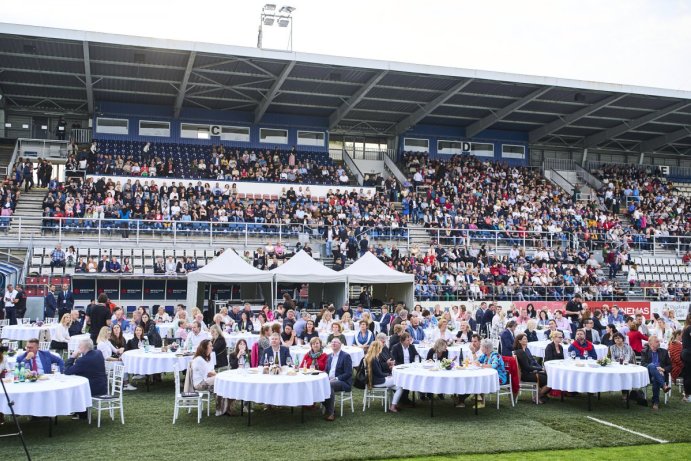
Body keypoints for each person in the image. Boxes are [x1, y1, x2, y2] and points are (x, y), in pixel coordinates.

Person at [65, 339, 108, 419]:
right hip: (102, 385)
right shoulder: (98, 353)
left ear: (84, 348)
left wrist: (73, 357)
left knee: (76, 388)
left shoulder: (83, 360)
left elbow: (67, 371)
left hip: (93, 389)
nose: (78, 347)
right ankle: (79, 411)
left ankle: (82, 413)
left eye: (79, 346)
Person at [191, 339, 232, 416]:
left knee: (220, 383)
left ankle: (223, 408)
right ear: (205, 348)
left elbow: (211, 371)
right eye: (210, 346)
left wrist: (217, 375)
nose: (212, 347)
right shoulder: (199, 359)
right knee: (219, 382)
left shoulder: (207, 358)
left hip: (206, 380)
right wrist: (219, 376)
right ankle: (221, 409)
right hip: (200, 384)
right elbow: (209, 373)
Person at [363, 340, 404, 413]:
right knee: (399, 382)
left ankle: (393, 405)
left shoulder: (370, 357)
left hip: (376, 380)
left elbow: (379, 372)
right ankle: (393, 406)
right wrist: (389, 375)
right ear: (378, 348)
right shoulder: (373, 359)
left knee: (399, 387)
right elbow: (379, 373)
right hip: (378, 381)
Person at [513, 333, 551, 403]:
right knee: (550, 380)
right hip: (526, 375)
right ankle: (538, 396)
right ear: (519, 341)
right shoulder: (520, 352)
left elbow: (533, 361)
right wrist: (540, 369)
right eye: (524, 339)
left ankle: (541, 394)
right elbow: (527, 367)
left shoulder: (526, 349)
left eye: (526, 339)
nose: (526, 340)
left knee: (549, 376)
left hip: (532, 372)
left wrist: (540, 368)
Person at [323, 337, 353, 421]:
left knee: (329, 385)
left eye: (336, 342)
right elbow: (326, 370)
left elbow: (348, 373)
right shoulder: (329, 356)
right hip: (329, 380)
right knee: (320, 385)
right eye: (332, 342)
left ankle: (331, 413)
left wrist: (336, 378)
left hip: (343, 382)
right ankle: (329, 407)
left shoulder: (346, 356)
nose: (333, 343)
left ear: (340, 345)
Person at [640, 335, 672, 410]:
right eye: (657, 342)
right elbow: (643, 364)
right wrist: (656, 368)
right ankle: (664, 386)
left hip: (661, 374)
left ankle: (655, 402)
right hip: (648, 375)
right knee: (651, 365)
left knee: (655, 379)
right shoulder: (644, 351)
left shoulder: (664, 352)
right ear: (650, 343)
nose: (659, 343)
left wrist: (663, 369)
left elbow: (670, 365)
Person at [391, 332, 419, 407]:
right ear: (402, 341)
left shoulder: (411, 347)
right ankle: (404, 399)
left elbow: (417, 356)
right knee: (403, 381)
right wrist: (402, 365)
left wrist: (417, 361)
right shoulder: (396, 347)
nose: (409, 342)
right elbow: (394, 359)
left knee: (410, 380)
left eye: (410, 340)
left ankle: (404, 399)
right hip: (400, 368)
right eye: (407, 340)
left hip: (410, 367)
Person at [680, 313, 691, 402]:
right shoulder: (689, 328)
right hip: (688, 354)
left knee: (687, 374)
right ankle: (687, 395)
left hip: (686, 353)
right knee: (688, 375)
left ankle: (687, 394)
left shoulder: (686, 328)